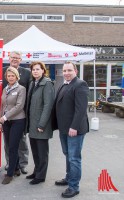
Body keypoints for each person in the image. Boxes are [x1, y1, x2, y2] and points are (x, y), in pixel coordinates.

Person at [52, 61, 89, 198]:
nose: (66, 73)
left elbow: (80, 109)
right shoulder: (64, 85)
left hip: (74, 129)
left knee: (74, 158)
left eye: (69, 70)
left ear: (76, 71)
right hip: (64, 129)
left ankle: (74, 187)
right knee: (68, 155)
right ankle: (68, 178)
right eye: (65, 71)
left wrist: (74, 127)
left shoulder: (80, 85)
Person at [25, 61, 54, 185]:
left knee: (42, 152)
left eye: (38, 69)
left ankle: (41, 176)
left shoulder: (47, 84)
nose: (35, 71)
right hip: (32, 124)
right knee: (35, 151)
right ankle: (36, 171)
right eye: (33, 69)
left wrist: (42, 124)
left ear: (43, 70)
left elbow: (48, 106)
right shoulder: (33, 83)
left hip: (41, 125)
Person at [2, 51, 30, 174]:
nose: (15, 59)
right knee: (8, 141)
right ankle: (10, 162)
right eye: (13, 57)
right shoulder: (2, 70)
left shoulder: (27, 73)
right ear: (9, 58)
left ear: (21, 60)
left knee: (21, 141)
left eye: (17, 58)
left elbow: (28, 92)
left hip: (19, 114)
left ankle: (23, 164)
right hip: (6, 113)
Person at [0, 67, 26, 185]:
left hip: (17, 121)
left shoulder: (21, 89)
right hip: (6, 122)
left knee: (13, 147)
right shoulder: (5, 89)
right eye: (8, 76)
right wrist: (0, 121)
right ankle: (16, 168)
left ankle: (9, 175)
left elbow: (19, 106)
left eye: (12, 76)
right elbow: (3, 106)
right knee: (9, 145)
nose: (10, 78)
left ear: (16, 77)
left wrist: (5, 117)